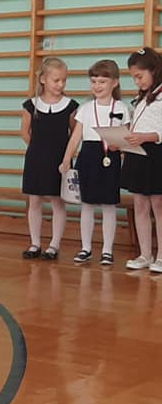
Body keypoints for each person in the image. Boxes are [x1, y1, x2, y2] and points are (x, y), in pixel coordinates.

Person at [59, 59, 130, 265]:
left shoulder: (122, 108)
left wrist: (121, 147)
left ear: (114, 83)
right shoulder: (85, 108)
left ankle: (107, 250)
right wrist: (66, 159)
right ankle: (86, 248)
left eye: (102, 82)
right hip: (88, 156)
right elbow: (75, 137)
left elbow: (127, 138)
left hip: (110, 157)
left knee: (109, 205)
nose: (97, 86)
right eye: (94, 81)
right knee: (87, 204)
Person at [20, 57, 78, 260]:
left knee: (58, 201)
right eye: (56, 80)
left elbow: (75, 133)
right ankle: (35, 243)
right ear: (43, 79)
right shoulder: (31, 105)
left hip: (60, 161)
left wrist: (66, 157)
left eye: (64, 80)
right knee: (34, 200)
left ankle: (54, 244)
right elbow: (24, 131)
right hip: (36, 160)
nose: (60, 84)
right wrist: (37, 150)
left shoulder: (70, 106)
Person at [121, 47, 162, 272]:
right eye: (133, 77)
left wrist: (144, 137)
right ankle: (145, 254)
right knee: (140, 203)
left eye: (139, 76)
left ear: (153, 70)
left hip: (156, 154)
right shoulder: (141, 98)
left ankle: (161, 256)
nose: (137, 81)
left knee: (158, 204)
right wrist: (123, 141)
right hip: (137, 153)